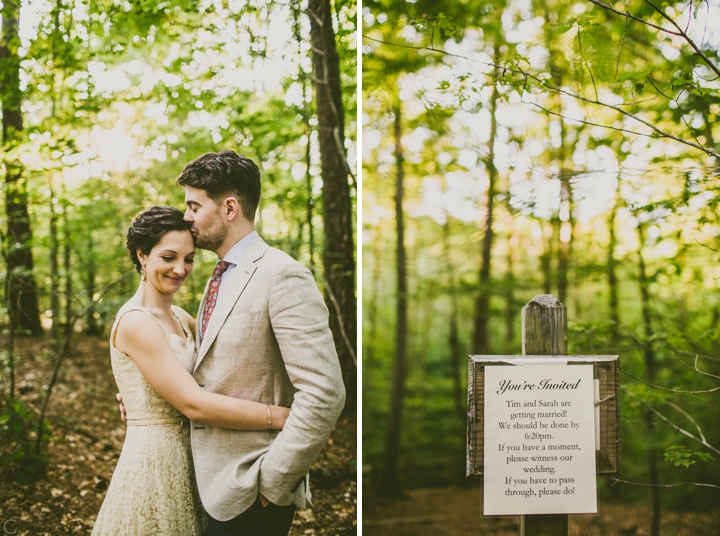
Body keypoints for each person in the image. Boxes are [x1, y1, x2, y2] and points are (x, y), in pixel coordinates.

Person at [93, 206, 291, 536]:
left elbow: (218, 367)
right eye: (168, 257)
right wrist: (277, 417)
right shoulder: (136, 321)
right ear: (142, 256)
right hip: (156, 463)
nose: (180, 269)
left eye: (188, 259)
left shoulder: (182, 317)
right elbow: (193, 403)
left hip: (198, 457)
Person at [178, 150, 346, 536]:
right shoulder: (217, 277)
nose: (186, 217)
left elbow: (324, 392)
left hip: (252, 488)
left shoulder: (283, 275)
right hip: (206, 482)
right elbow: (209, 369)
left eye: (193, 206)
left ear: (230, 207)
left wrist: (272, 482)